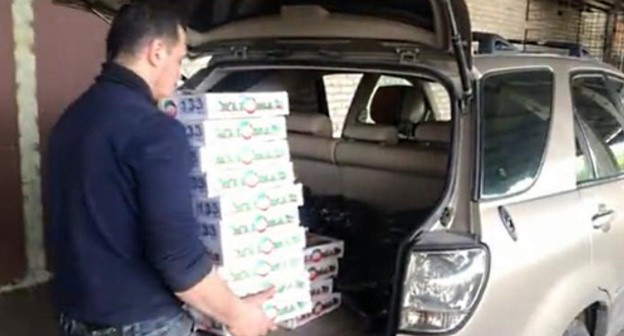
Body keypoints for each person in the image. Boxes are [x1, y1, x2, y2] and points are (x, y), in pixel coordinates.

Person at [45, 3, 276, 336]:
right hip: (141, 323)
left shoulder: (71, 119)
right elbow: (178, 259)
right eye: (180, 59)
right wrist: (238, 315)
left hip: (75, 315)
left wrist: (223, 303)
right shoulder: (156, 131)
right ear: (156, 52)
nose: (180, 72)